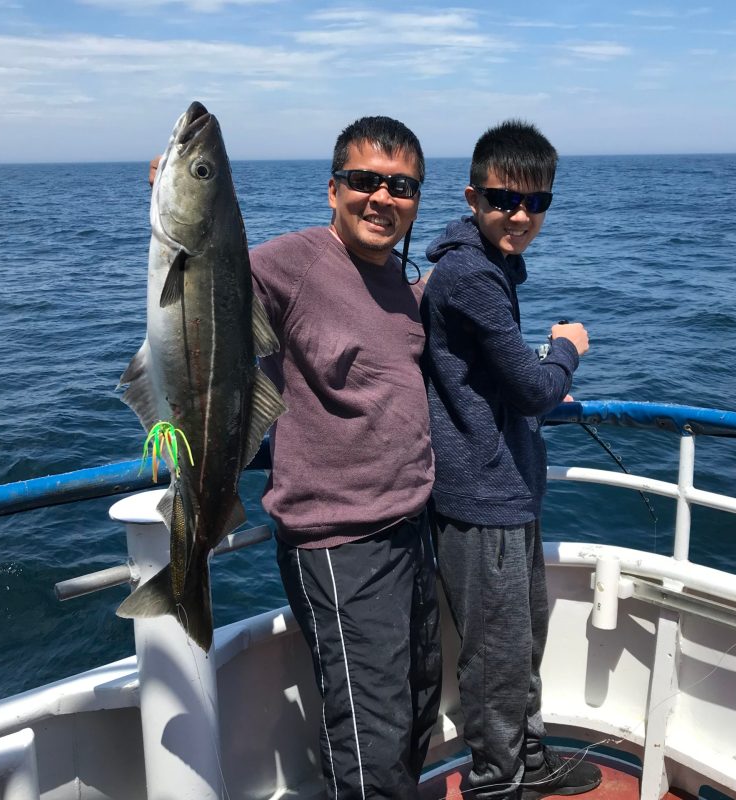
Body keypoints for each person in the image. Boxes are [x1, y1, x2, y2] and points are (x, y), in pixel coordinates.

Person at [249, 116, 441, 800]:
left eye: (401, 186)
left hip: (411, 527)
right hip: (337, 540)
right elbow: (198, 287)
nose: (381, 198)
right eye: (364, 182)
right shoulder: (292, 264)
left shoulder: (401, 281)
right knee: (371, 738)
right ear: (333, 190)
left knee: (419, 707)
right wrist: (181, 205)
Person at [420, 120, 600, 800]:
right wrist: (565, 348)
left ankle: (531, 761)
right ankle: (499, 786)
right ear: (472, 197)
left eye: (536, 202)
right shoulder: (470, 274)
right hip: (481, 497)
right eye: (503, 199)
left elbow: (498, 376)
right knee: (496, 664)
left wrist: (533, 372)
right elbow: (532, 387)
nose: (520, 215)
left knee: (523, 642)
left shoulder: (488, 267)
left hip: (506, 491)